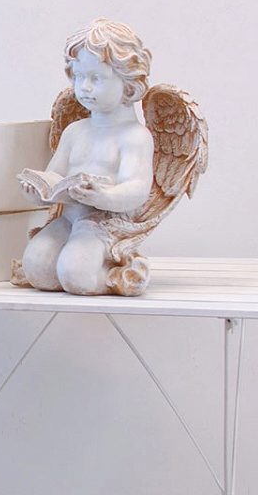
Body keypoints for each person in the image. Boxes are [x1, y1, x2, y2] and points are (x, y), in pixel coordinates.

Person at [17, 19, 155, 294]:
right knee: (37, 268)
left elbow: (138, 189)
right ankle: (77, 261)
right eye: (79, 77)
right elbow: (54, 176)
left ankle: (122, 273)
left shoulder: (134, 136)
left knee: (76, 275)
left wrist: (103, 196)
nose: (84, 87)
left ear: (129, 83)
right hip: (68, 217)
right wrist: (39, 191)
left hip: (105, 222)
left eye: (96, 78)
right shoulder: (75, 131)